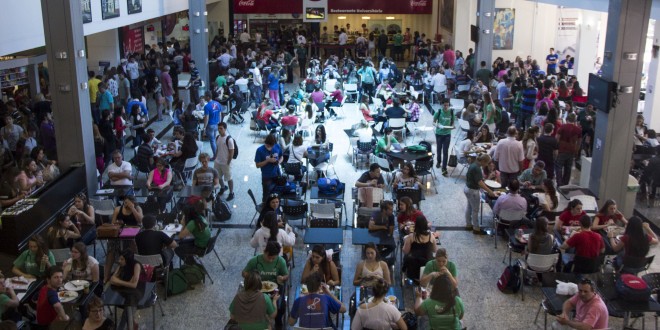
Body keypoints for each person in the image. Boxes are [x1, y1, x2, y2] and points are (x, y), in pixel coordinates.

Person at [242, 241, 289, 329]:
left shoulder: (281, 261)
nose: (271, 260)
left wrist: (282, 278)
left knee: (281, 306)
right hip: (257, 288)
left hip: (275, 289)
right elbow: (244, 273)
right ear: (264, 251)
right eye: (269, 257)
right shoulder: (255, 260)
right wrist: (253, 277)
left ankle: (278, 322)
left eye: (273, 258)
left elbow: (286, 275)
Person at [465, 154, 499, 234]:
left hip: (467, 188)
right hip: (473, 191)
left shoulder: (473, 164)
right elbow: (479, 183)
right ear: (483, 161)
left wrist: (483, 179)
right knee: (475, 210)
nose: (487, 165)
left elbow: (475, 178)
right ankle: (476, 228)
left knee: (469, 207)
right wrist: (490, 191)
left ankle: (468, 224)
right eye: (487, 163)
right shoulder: (477, 168)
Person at [109, 249, 142, 330]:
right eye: (119, 258)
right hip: (125, 291)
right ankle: (130, 324)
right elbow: (112, 280)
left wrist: (118, 281)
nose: (119, 261)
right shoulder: (122, 265)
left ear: (128, 259)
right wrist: (125, 283)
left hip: (139, 290)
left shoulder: (136, 265)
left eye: (122, 259)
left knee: (130, 302)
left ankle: (123, 327)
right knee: (129, 304)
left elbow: (134, 285)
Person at [402, 215, 437, 280]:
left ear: (416, 225)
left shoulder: (411, 237)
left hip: (413, 266)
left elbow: (405, 251)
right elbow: (435, 251)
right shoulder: (431, 236)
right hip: (427, 266)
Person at [255, 134, 283, 202]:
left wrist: (278, 162)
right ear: (265, 142)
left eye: (271, 146)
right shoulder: (260, 150)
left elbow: (281, 156)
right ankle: (265, 209)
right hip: (267, 176)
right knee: (266, 195)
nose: (270, 148)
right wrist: (268, 160)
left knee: (277, 194)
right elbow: (257, 165)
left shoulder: (277, 146)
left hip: (277, 174)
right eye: (268, 146)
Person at [555, 113, 582, 186]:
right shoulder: (578, 130)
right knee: (568, 167)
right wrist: (577, 150)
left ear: (567, 119)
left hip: (562, 149)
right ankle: (565, 183)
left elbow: (557, 138)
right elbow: (579, 142)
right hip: (572, 150)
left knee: (559, 166)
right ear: (574, 120)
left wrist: (556, 148)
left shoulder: (562, 127)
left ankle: (559, 183)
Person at [433, 99, 455, 176]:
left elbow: (452, 123)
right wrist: (438, 125)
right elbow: (433, 122)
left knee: (445, 151)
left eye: (447, 105)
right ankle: (439, 161)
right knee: (439, 149)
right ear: (442, 105)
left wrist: (452, 127)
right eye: (444, 105)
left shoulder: (451, 112)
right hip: (439, 133)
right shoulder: (438, 112)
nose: (446, 107)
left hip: (447, 134)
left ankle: (444, 168)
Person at [203, 92, 222, 161]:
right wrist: (219, 124)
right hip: (216, 124)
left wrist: (204, 128)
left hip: (210, 125)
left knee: (212, 141)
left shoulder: (207, 106)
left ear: (208, 97)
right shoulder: (217, 103)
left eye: (205, 96)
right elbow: (220, 114)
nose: (204, 98)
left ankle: (215, 156)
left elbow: (206, 118)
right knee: (214, 139)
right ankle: (217, 154)